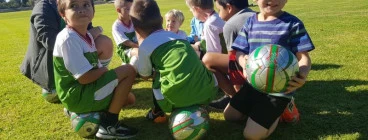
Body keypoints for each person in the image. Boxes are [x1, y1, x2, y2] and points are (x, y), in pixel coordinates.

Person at [224, 0, 315, 139]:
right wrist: (244, 62)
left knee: (251, 135)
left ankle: (279, 113)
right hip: (253, 85)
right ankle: (259, 110)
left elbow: (304, 57)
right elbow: (239, 52)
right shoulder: (250, 22)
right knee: (229, 116)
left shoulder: (293, 23)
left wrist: (302, 74)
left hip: (278, 91)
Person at [54, 0, 137, 138]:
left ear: (93, 11)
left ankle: (86, 114)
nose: (81, 10)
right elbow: (84, 78)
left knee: (129, 99)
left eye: (86, 5)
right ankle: (109, 125)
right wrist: (104, 71)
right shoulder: (68, 39)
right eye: (74, 6)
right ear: (63, 14)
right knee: (129, 70)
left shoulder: (84, 35)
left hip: (84, 91)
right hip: (78, 95)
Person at [129, 0, 218, 123]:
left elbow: (144, 75)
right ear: (161, 20)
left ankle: (157, 112)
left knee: (157, 76)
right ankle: (200, 103)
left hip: (176, 100)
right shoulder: (179, 38)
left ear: (135, 27)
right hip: (208, 92)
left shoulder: (145, 46)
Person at [20, 0, 113, 103]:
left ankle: (95, 81)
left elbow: (86, 30)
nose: (81, 9)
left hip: (73, 60)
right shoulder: (43, 6)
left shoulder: (77, 5)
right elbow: (50, 42)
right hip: (49, 65)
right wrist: (94, 31)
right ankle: (56, 89)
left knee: (104, 42)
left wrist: (94, 31)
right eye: (74, 6)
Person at [202, 0, 254, 110]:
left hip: (250, 66)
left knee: (208, 59)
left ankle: (235, 98)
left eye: (219, 10)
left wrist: (236, 87)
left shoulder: (230, 24)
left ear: (229, 8)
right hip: (267, 66)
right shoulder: (256, 15)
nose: (219, 14)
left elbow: (233, 62)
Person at [112, 0, 139, 69]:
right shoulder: (116, 26)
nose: (132, 12)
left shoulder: (134, 22)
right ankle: (129, 68)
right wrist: (140, 46)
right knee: (139, 52)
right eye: (128, 9)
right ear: (118, 10)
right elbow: (126, 42)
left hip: (136, 46)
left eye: (132, 8)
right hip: (125, 50)